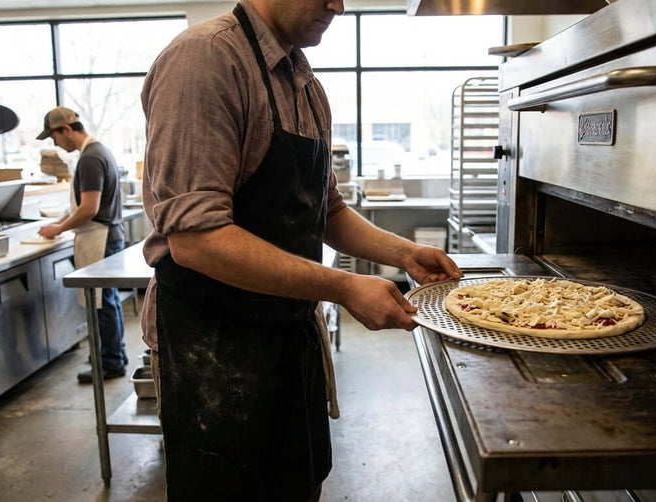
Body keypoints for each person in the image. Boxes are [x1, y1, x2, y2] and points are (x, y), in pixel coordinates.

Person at [140, 0, 462, 499]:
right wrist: (344, 285)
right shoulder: (205, 59)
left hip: (287, 340)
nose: (338, 4)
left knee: (298, 485)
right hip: (216, 349)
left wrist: (403, 254)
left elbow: (326, 209)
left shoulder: (305, 85)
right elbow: (196, 240)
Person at [36, 106, 128, 383]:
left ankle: (110, 363)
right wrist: (60, 223)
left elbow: (89, 208)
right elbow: (80, 205)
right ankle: (115, 356)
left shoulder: (90, 158)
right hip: (104, 234)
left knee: (101, 303)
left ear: (66, 129)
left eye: (54, 137)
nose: (55, 145)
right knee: (107, 300)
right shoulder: (97, 152)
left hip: (100, 237)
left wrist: (60, 228)